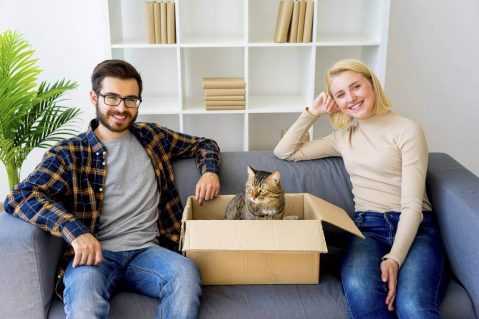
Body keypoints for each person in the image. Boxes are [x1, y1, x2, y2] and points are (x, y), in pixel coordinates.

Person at [4, 59, 221, 319]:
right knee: (84, 300)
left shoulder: (153, 138)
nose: (122, 108)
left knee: (185, 274)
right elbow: (21, 196)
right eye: (112, 98)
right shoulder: (69, 153)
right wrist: (75, 231)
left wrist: (209, 171)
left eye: (131, 99)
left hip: (149, 252)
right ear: (94, 97)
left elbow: (205, 144)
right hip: (96, 257)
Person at [274, 59, 446, 318]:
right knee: (360, 290)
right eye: (340, 94)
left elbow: (412, 206)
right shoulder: (343, 137)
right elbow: (285, 151)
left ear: (372, 85)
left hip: (416, 228)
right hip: (368, 229)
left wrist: (394, 259)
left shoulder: (407, 130)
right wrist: (312, 112)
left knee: (412, 307)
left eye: (356, 87)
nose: (351, 98)